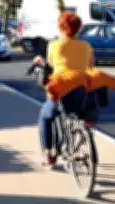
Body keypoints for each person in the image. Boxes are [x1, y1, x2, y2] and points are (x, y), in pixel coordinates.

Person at [37, 12, 94, 168]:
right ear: (79, 28)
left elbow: (50, 65)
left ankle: (49, 154)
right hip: (82, 92)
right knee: (76, 115)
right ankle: (80, 140)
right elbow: (90, 67)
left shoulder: (54, 46)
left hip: (61, 91)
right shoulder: (86, 46)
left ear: (61, 27)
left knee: (45, 116)